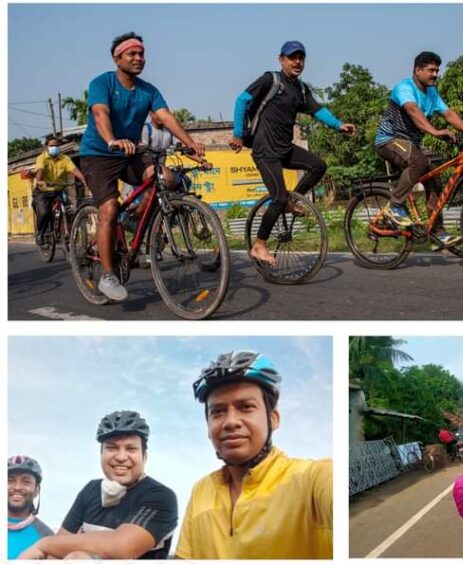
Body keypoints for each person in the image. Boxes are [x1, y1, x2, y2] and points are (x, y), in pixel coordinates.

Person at [79, 32, 207, 302]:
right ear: (117, 58)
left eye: (141, 54)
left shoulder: (148, 90)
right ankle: (107, 275)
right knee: (110, 207)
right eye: (132, 54)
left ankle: (135, 220)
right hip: (99, 155)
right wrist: (112, 139)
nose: (139, 59)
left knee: (166, 179)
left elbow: (166, 117)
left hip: (130, 153)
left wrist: (191, 144)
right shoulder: (102, 83)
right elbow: (100, 114)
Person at [175, 351, 332, 559]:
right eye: (217, 412)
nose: (231, 421)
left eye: (246, 407)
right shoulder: (201, 491)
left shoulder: (312, 478)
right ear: (208, 427)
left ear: (273, 419)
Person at [230, 41, 355, 266]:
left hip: (285, 148)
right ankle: (259, 245)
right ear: (281, 60)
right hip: (265, 150)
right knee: (277, 197)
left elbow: (318, 110)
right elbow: (242, 100)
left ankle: (290, 201)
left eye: (301, 58)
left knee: (318, 166)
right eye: (292, 57)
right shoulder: (270, 80)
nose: (297, 62)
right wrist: (238, 134)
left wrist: (338, 125)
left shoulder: (301, 89)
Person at [19, 411, 177, 559]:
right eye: (112, 448)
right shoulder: (91, 490)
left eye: (131, 448)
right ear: (101, 454)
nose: (121, 456)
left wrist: (44, 544)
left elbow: (121, 547)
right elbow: (58, 546)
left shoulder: (160, 496)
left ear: (144, 456)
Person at [375, 51, 463, 246]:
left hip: (411, 145)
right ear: (417, 70)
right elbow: (413, 111)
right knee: (419, 161)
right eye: (431, 70)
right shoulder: (404, 87)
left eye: (437, 70)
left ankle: (437, 232)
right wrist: (435, 132)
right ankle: (395, 205)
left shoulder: (432, 93)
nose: (435, 74)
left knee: (434, 181)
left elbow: (449, 114)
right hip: (389, 140)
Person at [32, 137, 89, 245]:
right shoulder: (42, 158)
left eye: (56, 146)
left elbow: (74, 169)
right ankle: (40, 233)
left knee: (69, 206)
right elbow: (40, 170)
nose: (54, 148)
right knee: (44, 212)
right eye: (51, 145)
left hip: (59, 189)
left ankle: (66, 230)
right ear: (46, 147)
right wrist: (39, 181)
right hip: (42, 190)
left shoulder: (65, 158)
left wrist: (84, 180)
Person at [7, 456, 54, 559]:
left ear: (37, 490)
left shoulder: (47, 536)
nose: (17, 487)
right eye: (10, 481)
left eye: (26, 482)